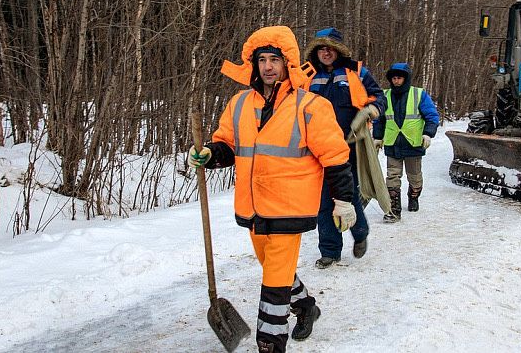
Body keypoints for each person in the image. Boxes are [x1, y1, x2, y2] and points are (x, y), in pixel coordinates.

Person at [188, 26, 357, 353]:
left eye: (274, 60)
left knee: (273, 287)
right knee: (275, 270)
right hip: (253, 209)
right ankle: (307, 306)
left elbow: (336, 158)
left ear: (288, 63)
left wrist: (343, 200)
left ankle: (270, 343)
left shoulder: (310, 107)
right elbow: (228, 144)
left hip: (290, 210)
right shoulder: (239, 104)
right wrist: (210, 153)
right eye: (262, 59)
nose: (267, 66)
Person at [303, 27, 387, 269]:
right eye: (321, 49)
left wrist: (372, 109)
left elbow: (378, 96)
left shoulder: (356, 72)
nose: (325, 53)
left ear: (338, 50)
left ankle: (360, 233)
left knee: (347, 195)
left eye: (329, 48)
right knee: (323, 202)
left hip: (348, 146)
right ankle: (329, 251)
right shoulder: (308, 76)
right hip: (318, 148)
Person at [372, 63, 440, 222]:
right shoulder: (385, 96)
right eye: (394, 78)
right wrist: (378, 137)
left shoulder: (419, 94)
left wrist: (428, 134)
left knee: (415, 178)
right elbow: (380, 120)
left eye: (399, 78)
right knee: (392, 177)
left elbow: (432, 116)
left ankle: (413, 195)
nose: (396, 81)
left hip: (413, 144)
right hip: (393, 143)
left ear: (406, 78)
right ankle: (393, 210)